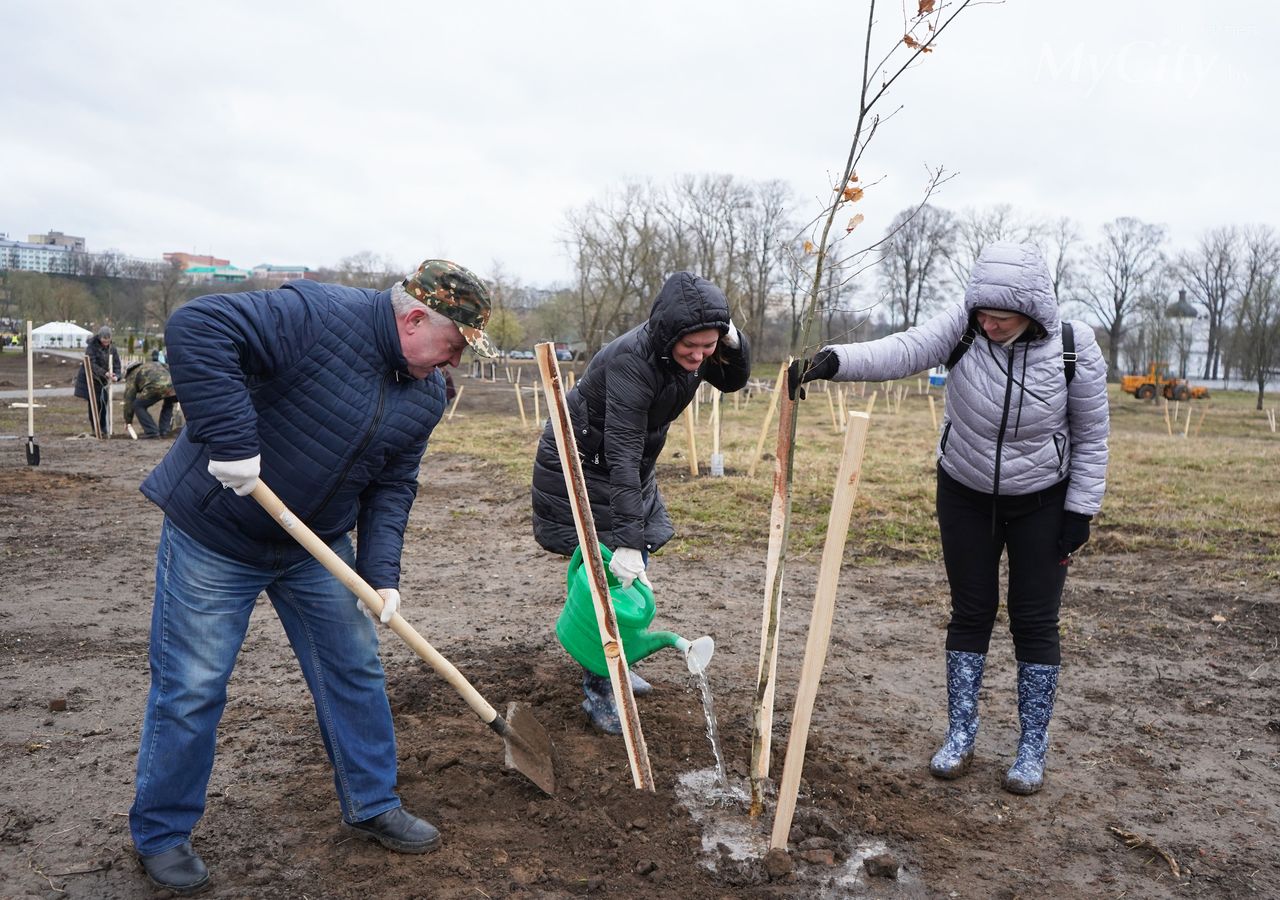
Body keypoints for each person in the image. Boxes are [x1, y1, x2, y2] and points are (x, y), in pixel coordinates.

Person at [129, 259, 496, 894]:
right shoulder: (317, 315)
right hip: (216, 534)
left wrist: (381, 576)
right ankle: (161, 833)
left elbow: (392, 485)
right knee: (193, 686)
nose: (454, 363)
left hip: (315, 546)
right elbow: (197, 325)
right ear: (414, 318)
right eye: (454, 346)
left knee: (355, 666)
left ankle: (373, 802)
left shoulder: (427, 392)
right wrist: (233, 441)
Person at [791, 241, 1109, 795]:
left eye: (1001, 316)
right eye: (983, 312)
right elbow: (903, 350)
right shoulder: (963, 327)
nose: (988, 323)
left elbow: (1092, 435)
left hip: (1043, 501)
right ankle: (960, 733)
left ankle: (1031, 747)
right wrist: (834, 362)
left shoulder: (1073, 348)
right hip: (964, 492)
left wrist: (1080, 509)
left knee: (1035, 621)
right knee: (971, 611)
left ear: (1032, 309)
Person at [531, 271, 752, 734]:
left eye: (708, 346)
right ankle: (600, 687)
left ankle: (622, 655)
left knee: (635, 566)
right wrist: (625, 542)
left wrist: (732, 340)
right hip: (585, 461)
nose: (698, 358)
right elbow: (622, 452)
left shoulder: (695, 348)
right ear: (668, 335)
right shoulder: (633, 361)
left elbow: (732, 381)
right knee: (605, 573)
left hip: (628, 465)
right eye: (690, 347)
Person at [73, 325, 122, 434]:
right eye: (104, 341)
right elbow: (91, 364)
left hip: (105, 381)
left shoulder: (112, 349)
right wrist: (104, 373)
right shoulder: (92, 347)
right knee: (94, 403)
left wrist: (116, 376)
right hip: (91, 379)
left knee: (104, 403)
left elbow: (117, 365)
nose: (106, 343)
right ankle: (95, 428)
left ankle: (103, 427)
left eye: (108, 341)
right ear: (99, 338)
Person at [122, 360, 178, 438]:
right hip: (172, 387)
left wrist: (128, 421)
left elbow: (129, 399)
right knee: (168, 403)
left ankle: (152, 432)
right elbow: (170, 368)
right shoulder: (154, 364)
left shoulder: (133, 374)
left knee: (137, 405)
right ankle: (165, 431)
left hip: (154, 388)